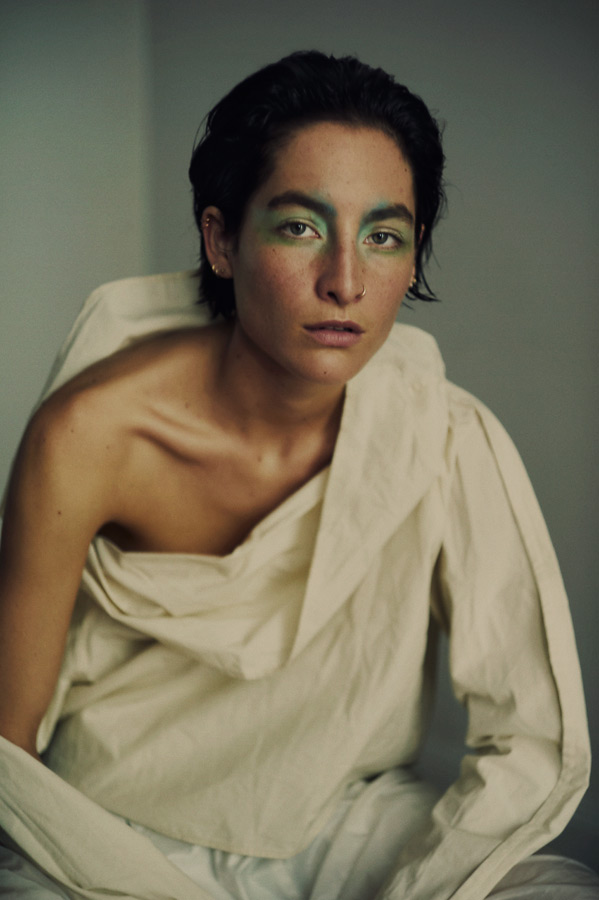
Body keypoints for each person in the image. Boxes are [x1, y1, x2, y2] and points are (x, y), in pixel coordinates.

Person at [0, 51, 596, 900]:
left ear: (412, 256)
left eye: (383, 237)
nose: (344, 283)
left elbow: (528, 739)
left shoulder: (441, 432)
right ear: (220, 241)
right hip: (108, 832)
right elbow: (7, 751)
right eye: (300, 228)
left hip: (350, 822)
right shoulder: (93, 433)